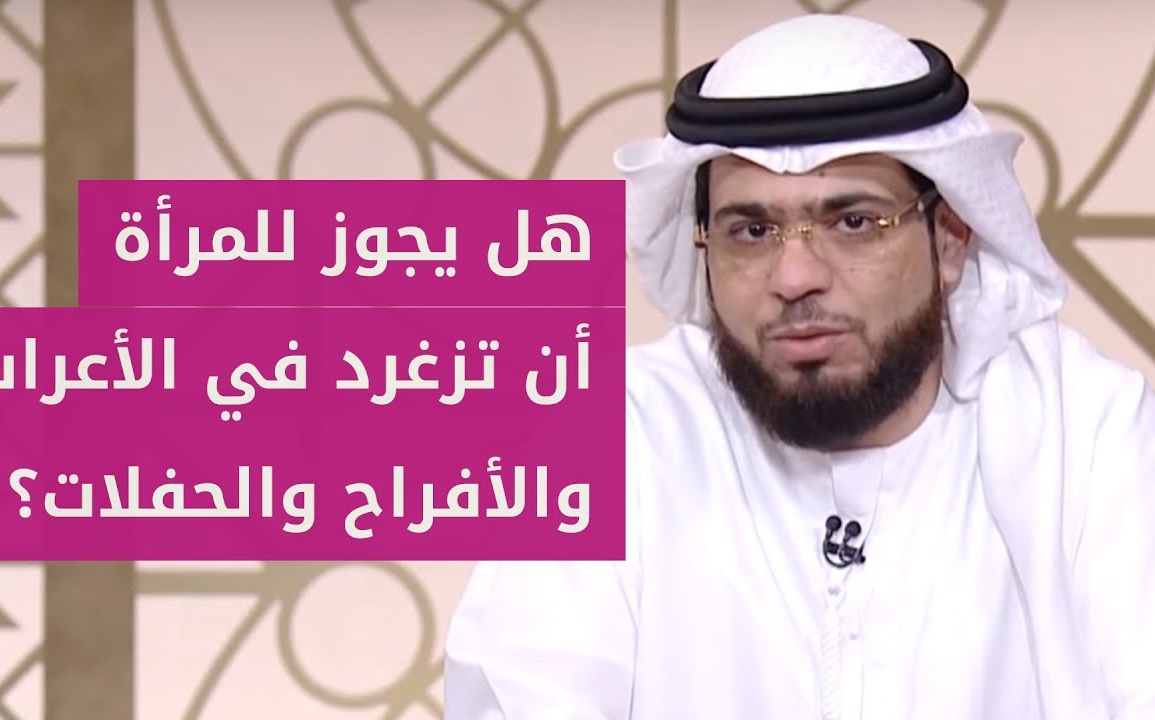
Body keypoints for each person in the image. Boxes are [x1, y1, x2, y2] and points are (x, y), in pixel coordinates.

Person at [442, 13, 1155, 720]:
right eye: (752, 231)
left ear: (950, 237)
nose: (795, 277)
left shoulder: (1082, 434)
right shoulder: (615, 437)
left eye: (854, 222)